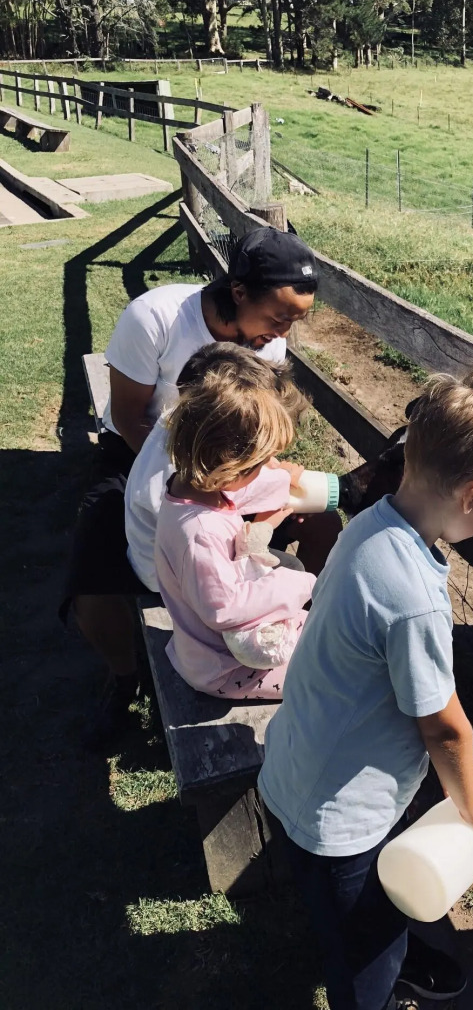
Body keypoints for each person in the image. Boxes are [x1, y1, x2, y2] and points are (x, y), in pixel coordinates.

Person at [258, 367, 473, 1010]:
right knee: (365, 951)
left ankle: (391, 952)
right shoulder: (415, 598)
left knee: (346, 909)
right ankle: (380, 987)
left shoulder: (372, 524)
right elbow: (442, 725)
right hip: (344, 817)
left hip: (299, 766)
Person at [62, 225, 335, 748]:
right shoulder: (156, 317)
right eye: (279, 318)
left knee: (318, 516)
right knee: (92, 576)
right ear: (238, 293)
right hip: (141, 451)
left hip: (223, 466)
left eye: (295, 323)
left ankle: (302, 623)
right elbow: (127, 417)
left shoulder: (267, 347)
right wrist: (206, 493)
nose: (282, 336)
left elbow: (253, 428)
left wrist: (254, 486)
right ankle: (124, 680)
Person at [155, 363, 316, 699]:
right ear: (229, 465)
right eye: (259, 465)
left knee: (324, 632)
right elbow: (224, 608)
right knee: (331, 668)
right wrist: (298, 584)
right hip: (226, 668)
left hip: (207, 646)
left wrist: (282, 487)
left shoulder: (190, 491)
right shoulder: (200, 532)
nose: (263, 472)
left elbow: (239, 498)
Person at [125, 344, 309, 594]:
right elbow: (222, 599)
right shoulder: (191, 498)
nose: (268, 461)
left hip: (156, 557)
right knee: (293, 568)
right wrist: (282, 482)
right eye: (260, 456)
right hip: (167, 578)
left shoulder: (181, 435)